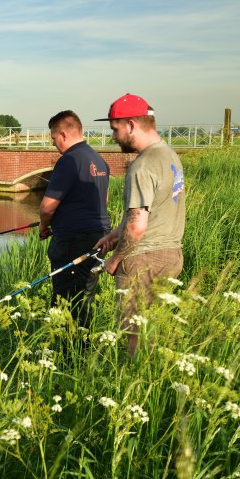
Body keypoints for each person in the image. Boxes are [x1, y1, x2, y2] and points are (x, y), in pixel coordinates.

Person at [93, 94, 185, 357]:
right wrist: (113, 234)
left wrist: (115, 259)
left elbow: (137, 226)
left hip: (142, 260)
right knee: (152, 329)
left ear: (131, 125)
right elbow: (151, 212)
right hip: (171, 255)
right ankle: (150, 383)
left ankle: (131, 383)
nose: (113, 136)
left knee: (133, 334)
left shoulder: (141, 166)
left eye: (114, 128)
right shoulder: (169, 155)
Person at [39, 110, 111, 331]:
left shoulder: (68, 160)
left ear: (63, 134)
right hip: (99, 238)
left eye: (53, 139)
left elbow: (47, 206)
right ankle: (82, 349)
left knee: (64, 298)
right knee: (85, 296)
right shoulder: (99, 160)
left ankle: (63, 352)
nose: (54, 144)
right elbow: (103, 200)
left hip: (73, 242)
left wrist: (44, 226)